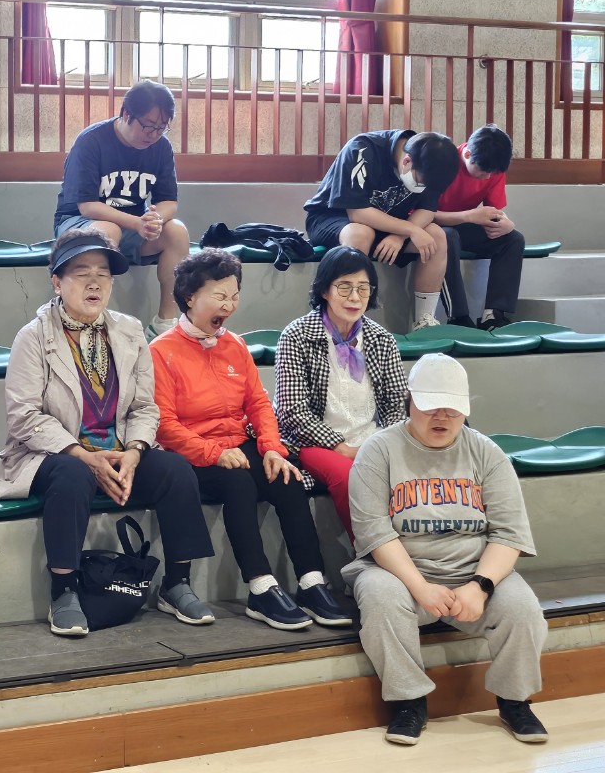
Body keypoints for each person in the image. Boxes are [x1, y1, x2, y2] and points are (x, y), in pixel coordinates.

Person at [0, 228, 216, 635]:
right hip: (53, 455)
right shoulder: (33, 336)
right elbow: (24, 416)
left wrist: (135, 452)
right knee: (72, 474)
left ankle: (176, 583)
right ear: (57, 282)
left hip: (120, 451)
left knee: (176, 470)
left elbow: (145, 407)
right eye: (81, 273)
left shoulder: (129, 331)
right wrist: (82, 454)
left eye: (103, 275)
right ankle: (64, 590)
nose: (94, 283)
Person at [344, 353, 549, 746]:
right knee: (381, 598)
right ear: (409, 402)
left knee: (523, 608)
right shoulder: (378, 450)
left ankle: (514, 701)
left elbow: (509, 534)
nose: (441, 417)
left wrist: (481, 586)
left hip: (473, 570)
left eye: (452, 409)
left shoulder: (486, 452)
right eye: (429, 406)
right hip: (399, 571)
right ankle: (409, 703)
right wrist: (420, 587)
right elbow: (375, 534)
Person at [149, 248, 350, 631]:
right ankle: (261, 587)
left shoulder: (235, 345)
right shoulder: (161, 351)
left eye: (234, 296)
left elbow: (258, 404)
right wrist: (214, 453)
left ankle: (312, 582)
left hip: (238, 444)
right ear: (190, 297)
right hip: (193, 454)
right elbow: (165, 425)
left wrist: (272, 449)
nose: (229, 305)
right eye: (219, 296)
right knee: (238, 483)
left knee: (287, 477)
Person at [274, 246, 408, 540]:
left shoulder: (381, 338)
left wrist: (382, 444)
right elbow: (292, 411)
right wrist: (340, 447)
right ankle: (373, 554)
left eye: (363, 288)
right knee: (350, 478)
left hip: (372, 440)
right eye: (344, 287)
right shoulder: (296, 335)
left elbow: (396, 403)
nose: (355, 297)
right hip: (314, 443)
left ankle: (417, 552)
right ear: (324, 290)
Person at [53, 80, 190, 341]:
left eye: (161, 127)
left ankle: (165, 322)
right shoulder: (91, 141)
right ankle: (90, 319)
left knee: (177, 231)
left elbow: (169, 201)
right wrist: (136, 223)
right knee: (108, 230)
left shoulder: (161, 147)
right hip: (79, 223)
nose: (153, 134)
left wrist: (154, 219)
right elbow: (87, 206)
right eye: (148, 126)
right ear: (127, 114)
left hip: (132, 227)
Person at [304, 129, 460, 332]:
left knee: (437, 236)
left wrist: (400, 235)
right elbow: (357, 213)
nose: (422, 188)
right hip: (333, 217)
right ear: (407, 161)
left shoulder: (432, 165)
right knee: (361, 234)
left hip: (389, 224)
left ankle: (424, 321)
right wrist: (410, 230)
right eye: (420, 183)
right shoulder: (362, 149)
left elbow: (427, 210)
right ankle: (346, 321)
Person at [434, 125, 525, 331]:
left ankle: (493, 315)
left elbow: (495, 212)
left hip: (464, 225)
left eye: (492, 173)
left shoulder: (493, 168)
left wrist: (507, 224)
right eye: (484, 171)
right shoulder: (441, 163)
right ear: (467, 154)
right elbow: (422, 214)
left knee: (513, 239)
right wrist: (468, 216)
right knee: (448, 237)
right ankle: (458, 316)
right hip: (431, 226)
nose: (488, 177)